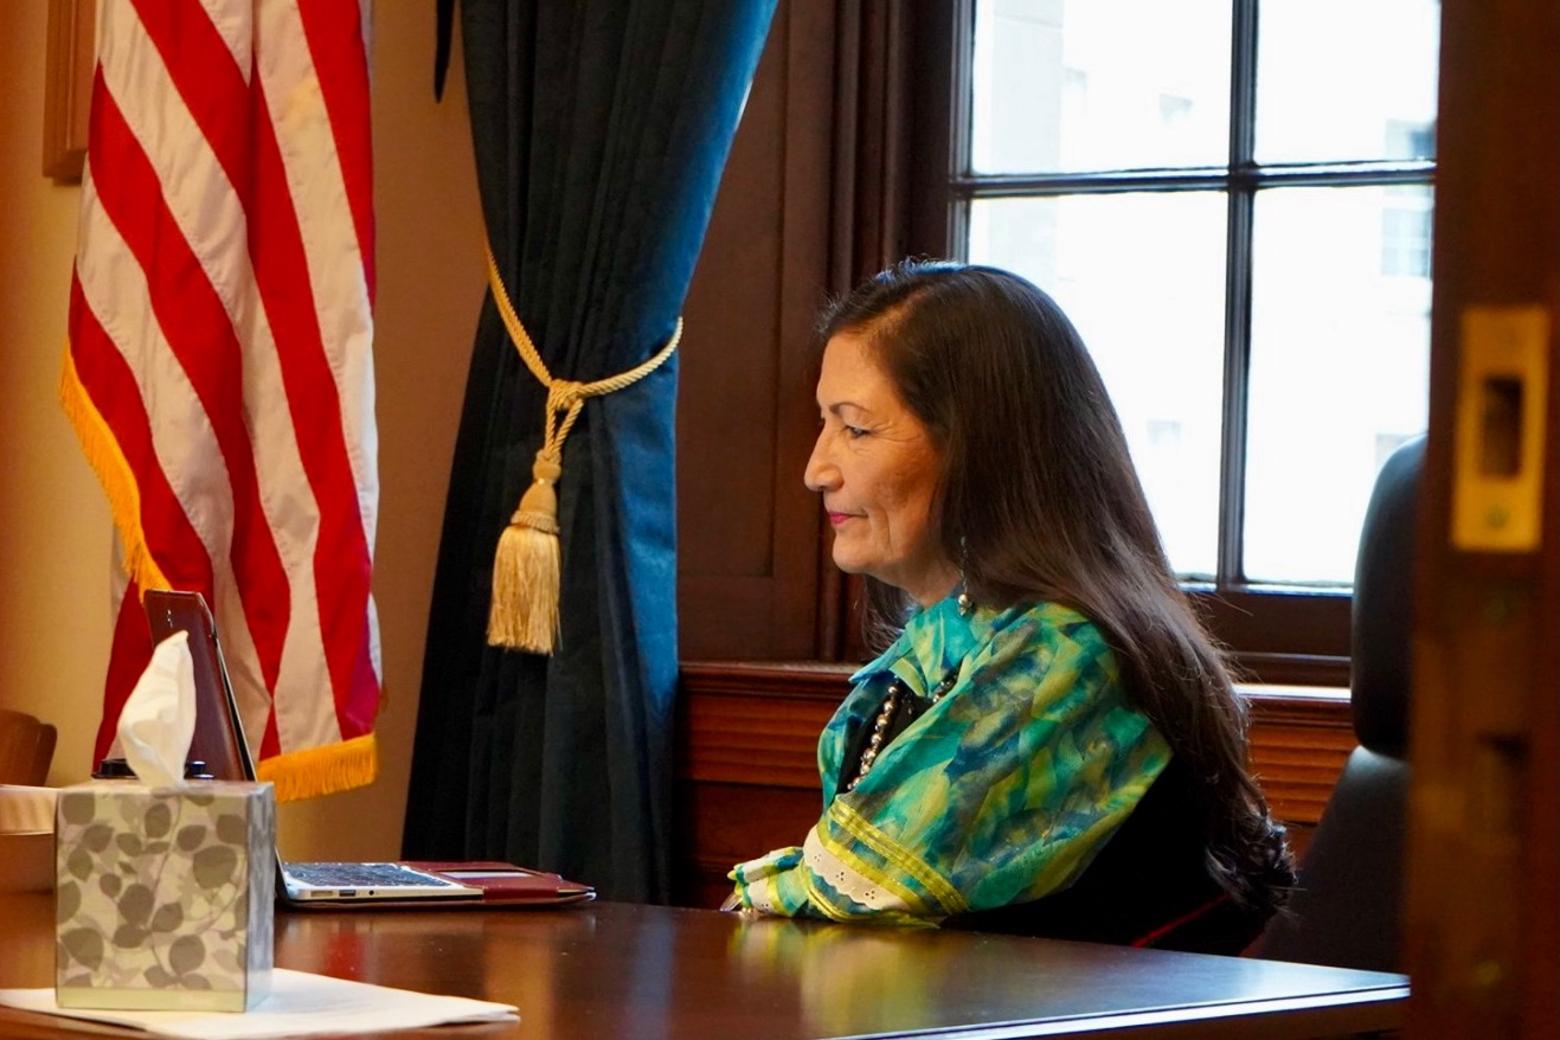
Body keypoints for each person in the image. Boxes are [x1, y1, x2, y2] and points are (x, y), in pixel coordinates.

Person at [723, 260, 1294, 953]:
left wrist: (754, 896)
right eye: (825, 423)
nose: (819, 469)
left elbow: (852, 883)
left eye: (857, 430)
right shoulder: (937, 649)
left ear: (978, 448)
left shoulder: (1068, 652)